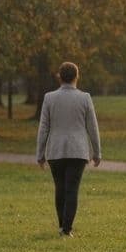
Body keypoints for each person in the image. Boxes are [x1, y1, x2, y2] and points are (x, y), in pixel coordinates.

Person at [36, 61, 102, 237]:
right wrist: (97, 152)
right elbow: (92, 127)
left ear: (60, 77)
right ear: (76, 76)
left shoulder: (49, 98)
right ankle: (67, 229)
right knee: (72, 189)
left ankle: (62, 226)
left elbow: (44, 127)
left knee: (60, 188)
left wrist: (40, 153)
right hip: (78, 150)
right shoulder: (85, 98)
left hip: (56, 150)